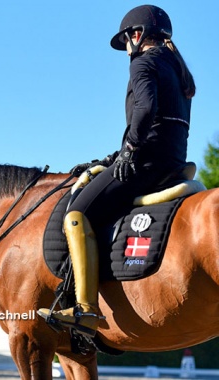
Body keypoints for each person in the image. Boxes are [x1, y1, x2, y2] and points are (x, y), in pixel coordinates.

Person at [38, 4, 195, 337]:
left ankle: (85, 309)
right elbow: (164, 125)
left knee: (76, 213)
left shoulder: (143, 62)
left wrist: (131, 150)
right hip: (172, 162)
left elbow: (146, 111)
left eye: (126, 40)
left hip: (145, 162)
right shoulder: (178, 70)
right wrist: (111, 158)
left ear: (136, 35)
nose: (126, 48)